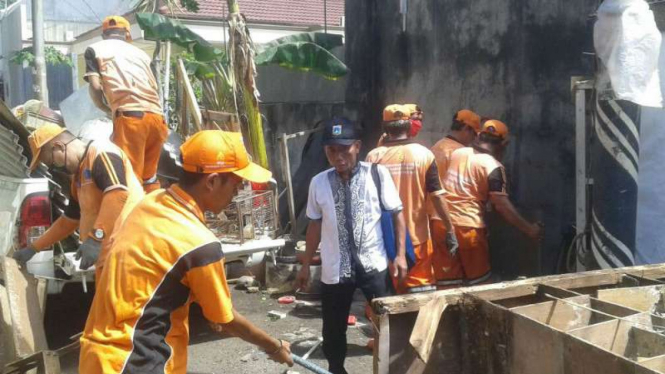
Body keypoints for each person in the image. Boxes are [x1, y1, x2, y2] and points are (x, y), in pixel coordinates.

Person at [79, 130, 293, 374]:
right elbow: (226, 320)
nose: (239, 191)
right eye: (237, 183)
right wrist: (274, 347)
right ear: (211, 181)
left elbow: (156, 273)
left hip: (97, 356)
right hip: (137, 361)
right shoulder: (199, 244)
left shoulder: (150, 203)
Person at [295, 117, 407, 374]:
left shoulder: (377, 175)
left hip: (374, 265)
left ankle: (393, 368)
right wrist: (304, 266)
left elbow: (397, 214)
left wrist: (400, 255)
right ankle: (336, 369)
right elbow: (314, 226)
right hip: (335, 269)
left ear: (357, 146)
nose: (338, 156)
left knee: (387, 323)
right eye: (331, 150)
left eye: (344, 148)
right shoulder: (319, 182)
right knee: (333, 329)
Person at [12, 124, 143, 279]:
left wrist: (95, 239)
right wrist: (34, 248)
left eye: (52, 164)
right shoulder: (78, 177)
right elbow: (69, 220)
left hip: (130, 252)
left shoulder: (101, 153)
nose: (55, 170)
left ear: (59, 147)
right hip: (108, 257)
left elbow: (118, 194)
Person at [439, 120, 544, 286]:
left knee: (448, 283)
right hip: (468, 227)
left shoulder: (458, 153)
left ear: (479, 135)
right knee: (481, 283)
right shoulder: (493, 166)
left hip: (441, 224)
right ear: (504, 144)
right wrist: (530, 230)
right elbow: (501, 205)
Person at [366, 104, 458, 294]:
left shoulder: (373, 156)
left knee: (383, 295)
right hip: (417, 237)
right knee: (420, 293)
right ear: (409, 126)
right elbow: (437, 196)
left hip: (383, 238)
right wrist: (449, 228)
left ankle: (383, 323)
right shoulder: (423, 154)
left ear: (385, 128)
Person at [84, 15, 168, 193]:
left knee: (130, 178)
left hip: (131, 120)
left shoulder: (95, 50)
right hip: (157, 118)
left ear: (104, 34)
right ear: (127, 34)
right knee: (149, 177)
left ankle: (132, 219)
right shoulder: (141, 54)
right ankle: (153, 215)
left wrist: (104, 108)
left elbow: (95, 85)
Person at [430, 109, 481, 289]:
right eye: (474, 133)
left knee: (447, 278)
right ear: (466, 128)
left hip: (436, 220)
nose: (475, 139)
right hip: (461, 220)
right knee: (478, 279)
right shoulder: (464, 153)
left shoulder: (436, 147)